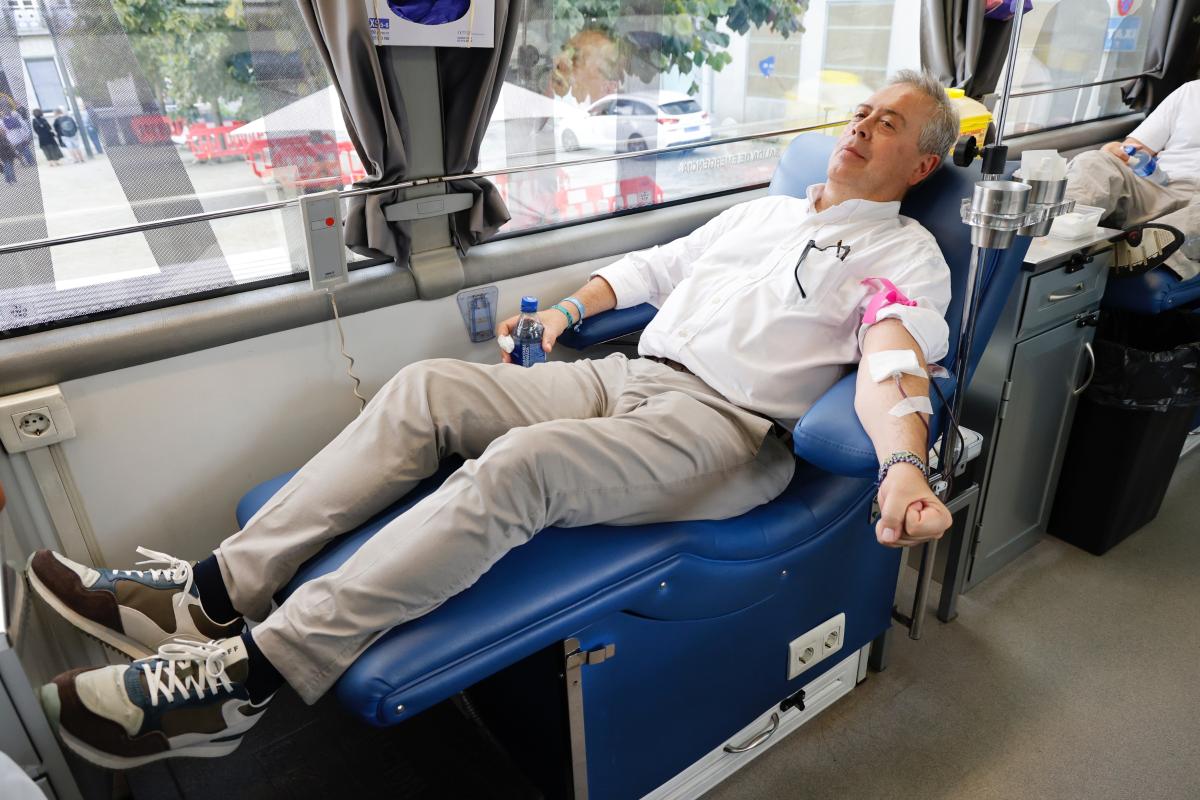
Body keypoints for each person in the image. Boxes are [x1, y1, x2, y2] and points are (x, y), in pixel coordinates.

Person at [29, 70, 958, 769]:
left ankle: (250, 676)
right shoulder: (766, 215)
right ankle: (214, 593)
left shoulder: (907, 256)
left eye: (890, 124)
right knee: (432, 387)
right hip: (628, 375)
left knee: (523, 467)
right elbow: (650, 271)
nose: (863, 127)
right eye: (861, 113)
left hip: (727, 430)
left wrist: (902, 466)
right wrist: (562, 314)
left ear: (921, 164)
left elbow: (892, 361)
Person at [1065, 79, 1200, 229]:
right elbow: (1132, 149)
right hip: (1161, 187)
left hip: (1194, 206)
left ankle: (1149, 245)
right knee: (1094, 162)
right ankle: (1056, 232)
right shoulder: (1191, 91)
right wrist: (1116, 152)